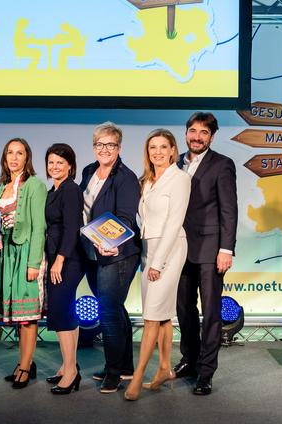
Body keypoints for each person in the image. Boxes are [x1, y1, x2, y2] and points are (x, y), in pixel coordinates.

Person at [174, 112, 238, 396]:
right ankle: (189, 359)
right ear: (186, 133)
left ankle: (206, 372)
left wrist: (226, 248)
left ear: (212, 137)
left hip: (211, 250)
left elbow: (229, 210)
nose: (196, 137)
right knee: (184, 310)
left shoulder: (222, 165)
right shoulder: (174, 164)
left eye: (203, 132)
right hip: (179, 249)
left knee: (211, 312)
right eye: (192, 131)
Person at [124, 129, 190, 401]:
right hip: (148, 248)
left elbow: (174, 223)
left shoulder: (181, 178)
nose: (158, 152)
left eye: (164, 147)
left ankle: (138, 376)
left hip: (170, 249)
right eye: (153, 147)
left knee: (151, 316)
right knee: (161, 314)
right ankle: (164, 368)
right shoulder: (148, 181)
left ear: (173, 150)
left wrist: (159, 263)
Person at [79, 121, 141, 394]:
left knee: (107, 312)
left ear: (119, 147)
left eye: (110, 145)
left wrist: (110, 243)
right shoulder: (89, 171)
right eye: (99, 144)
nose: (104, 149)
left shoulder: (125, 177)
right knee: (115, 308)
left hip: (118, 254)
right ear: (94, 147)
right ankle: (125, 366)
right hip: (92, 252)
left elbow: (126, 217)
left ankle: (114, 373)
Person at [0, 138, 47, 389]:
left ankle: (25, 366)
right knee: (17, 314)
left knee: (28, 316)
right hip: (6, 255)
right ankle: (25, 363)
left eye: (19, 153)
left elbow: (38, 228)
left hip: (25, 253)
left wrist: (34, 263)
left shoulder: (35, 185)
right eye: (10, 153)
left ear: (27, 157)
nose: (14, 158)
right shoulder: (2, 187)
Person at [43, 143, 85, 395]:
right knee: (66, 312)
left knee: (61, 315)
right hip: (59, 258)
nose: (55, 166)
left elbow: (71, 228)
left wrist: (59, 260)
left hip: (67, 260)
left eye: (60, 162)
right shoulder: (53, 190)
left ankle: (71, 372)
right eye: (51, 162)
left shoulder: (70, 189)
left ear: (70, 165)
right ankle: (68, 365)